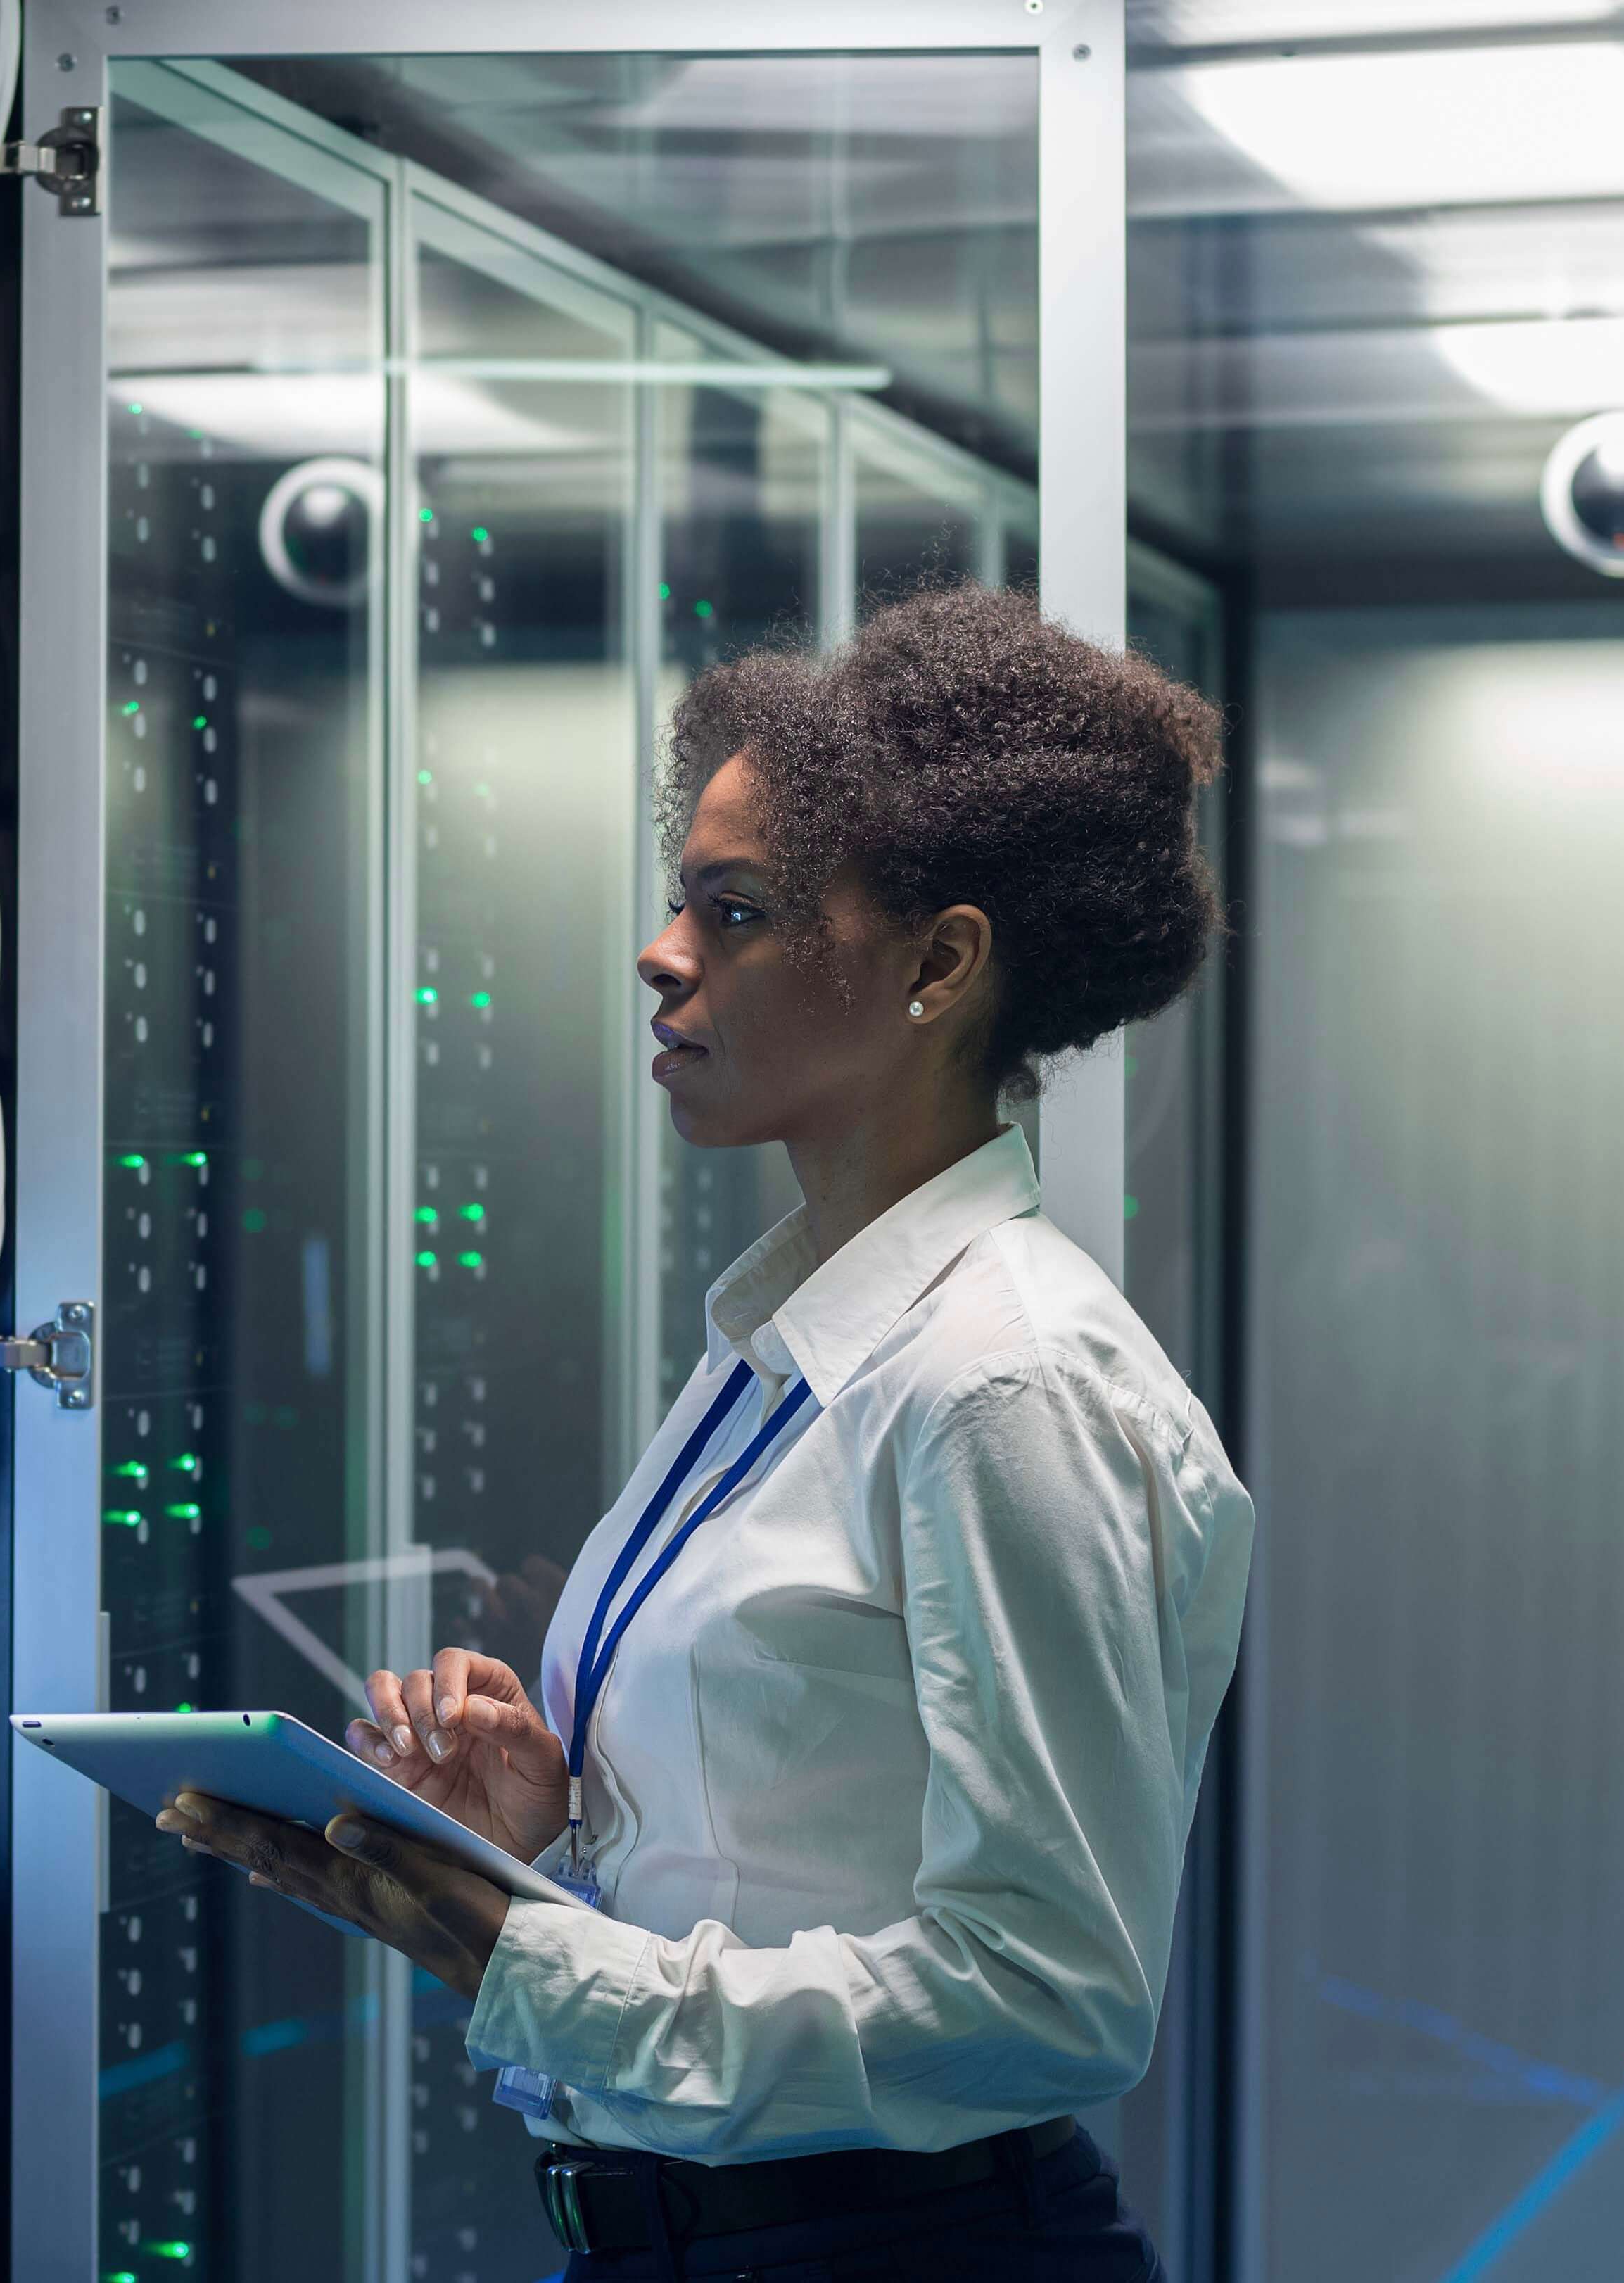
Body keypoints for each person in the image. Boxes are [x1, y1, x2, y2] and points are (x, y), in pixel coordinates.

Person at [156, 586, 1250, 2280]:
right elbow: (787, 1851)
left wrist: (526, 1955)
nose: (664, 953)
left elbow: (1049, 1996)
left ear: (941, 965)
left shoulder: (1002, 1382)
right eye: (682, 900)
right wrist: (547, 1833)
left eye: (734, 911)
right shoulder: (788, 1338)